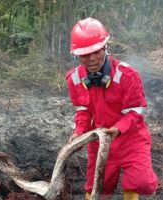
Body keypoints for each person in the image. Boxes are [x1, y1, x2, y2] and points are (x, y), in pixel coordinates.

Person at [66, 17, 158, 200]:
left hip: (131, 140)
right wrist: (79, 131)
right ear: (77, 55)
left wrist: (118, 129)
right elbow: (83, 110)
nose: (91, 59)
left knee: (141, 182)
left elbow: (135, 112)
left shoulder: (128, 75)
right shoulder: (74, 78)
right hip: (100, 142)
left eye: (96, 51)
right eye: (85, 54)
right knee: (97, 189)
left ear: (105, 47)